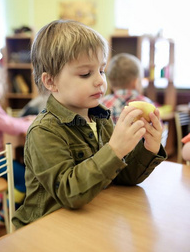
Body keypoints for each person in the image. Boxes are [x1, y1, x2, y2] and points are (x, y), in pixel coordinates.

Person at [12, 19, 167, 229]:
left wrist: (150, 147)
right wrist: (114, 150)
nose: (100, 81)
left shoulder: (101, 119)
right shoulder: (44, 131)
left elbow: (124, 177)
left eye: (101, 70)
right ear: (51, 82)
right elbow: (69, 193)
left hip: (87, 221)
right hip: (44, 230)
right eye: (86, 74)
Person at [0, 62, 35, 223]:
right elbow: (10, 127)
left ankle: (4, 202)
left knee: (16, 170)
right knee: (23, 177)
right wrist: (30, 123)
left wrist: (23, 119)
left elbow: (6, 121)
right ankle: (6, 213)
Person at [101, 53, 155, 124]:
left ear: (110, 83)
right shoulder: (148, 104)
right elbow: (160, 130)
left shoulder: (102, 104)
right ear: (136, 82)